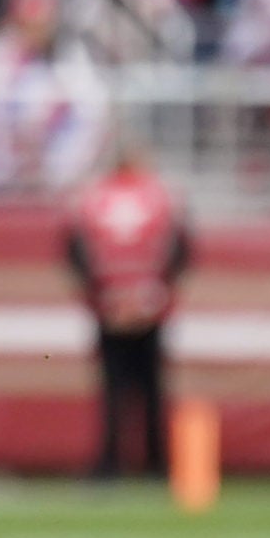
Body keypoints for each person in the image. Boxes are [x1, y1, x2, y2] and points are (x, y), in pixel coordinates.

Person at [63, 145, 190, 480]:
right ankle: (155, 464)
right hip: (150, 306)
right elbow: (181, 249)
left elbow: (75, 251)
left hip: (111, 307)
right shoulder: (163, 197)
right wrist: (155, 294)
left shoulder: (91, 199)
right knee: (151, 388)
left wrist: (105, 298)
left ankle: (112, 463)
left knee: (114, 391)